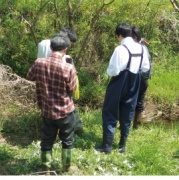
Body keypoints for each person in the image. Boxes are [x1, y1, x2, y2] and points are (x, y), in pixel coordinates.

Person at [95, 22, 151, 154]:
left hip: (119, 82)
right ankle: (122, 146)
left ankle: (107, 146)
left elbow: (113, 70)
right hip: (135, 80)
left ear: (119, 35)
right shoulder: (142, 48)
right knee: (128, 112)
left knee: (110, 112)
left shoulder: (120, 49)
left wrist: (109, 74)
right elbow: (145, 68)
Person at [26, 35, 78, 173]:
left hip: (47, 110)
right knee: (67, 140)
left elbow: (29, 77)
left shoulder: (39, 63)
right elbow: (72, 89)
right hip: (65, 111)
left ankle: (45, 168)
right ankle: (67, 167)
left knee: (47, 139)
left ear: (50, 47)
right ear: (65, 50)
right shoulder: (68, 68)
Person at [37, 27, 84, 136]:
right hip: (59, 84)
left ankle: (47, 133)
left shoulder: (43, 43)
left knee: (47, 110)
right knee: (67, 109)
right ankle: (76, 130)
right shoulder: (61, 53)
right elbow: (69, 79)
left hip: (43, 82)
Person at [131, 26, 152, 129]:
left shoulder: (135, 48)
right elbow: (147, 66)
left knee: (128, 101)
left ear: (134, 37)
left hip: (135, 78)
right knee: (139, 102)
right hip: (143, 79)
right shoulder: (144, 47)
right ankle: (136, 127)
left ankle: (125, 126)